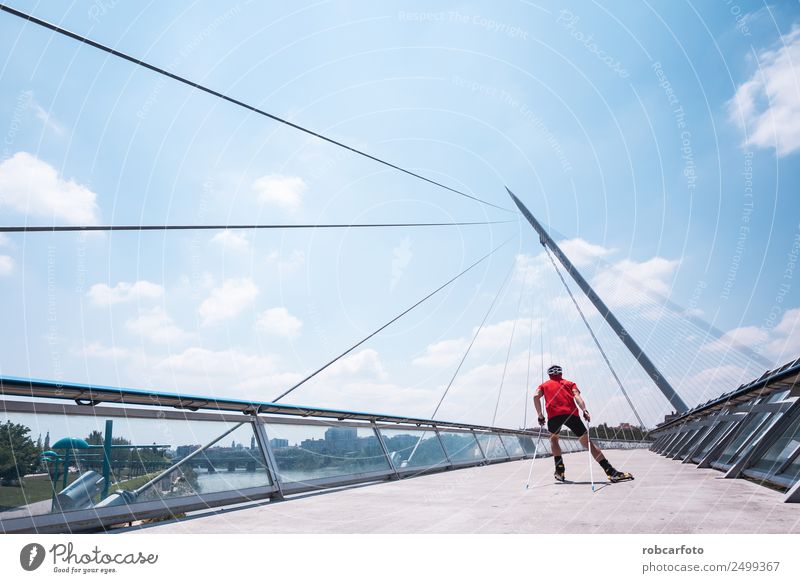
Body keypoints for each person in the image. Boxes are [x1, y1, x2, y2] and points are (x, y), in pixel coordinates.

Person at [533, 364, 633, 483]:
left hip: (554, 417)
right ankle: (611, 472)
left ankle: (559, 471)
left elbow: (535, 396)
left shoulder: (543, 385)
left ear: (549, 375)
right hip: (572, 415)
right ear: (561, 373)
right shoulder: (570, 384)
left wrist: (540, 415)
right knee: (588, 443)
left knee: (554, 440)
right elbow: (577, 396)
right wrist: (584, 410)